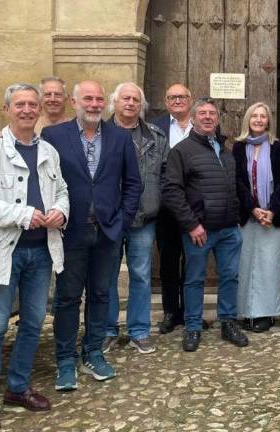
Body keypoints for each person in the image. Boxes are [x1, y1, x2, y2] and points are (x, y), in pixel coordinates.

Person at [0, 83, 69, 432]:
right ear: (7, 109)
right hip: (1, 252)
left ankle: (18, 388)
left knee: (34, 322)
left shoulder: (48, 151)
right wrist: (20, 215)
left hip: (41, 251)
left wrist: (60, 211)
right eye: (19, 104)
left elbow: (62, 190)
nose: (27, 110)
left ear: (39, 110)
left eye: (32, 104)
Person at [41, 80, 142, 391]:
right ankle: (65, 360)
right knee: (67, 298)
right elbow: (43, 178)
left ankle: (94, 353)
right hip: (70, 231)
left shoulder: (119, 137)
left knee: (100, 295)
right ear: (74, 102)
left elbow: (133, 183)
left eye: (99, 99)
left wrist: (122, 221)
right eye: (88, 98)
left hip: (107, 232)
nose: (95, 104)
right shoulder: (53, 136)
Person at [162, 97, 248, 352]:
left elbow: (234, 187)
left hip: (229, 229)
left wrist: (237, 219)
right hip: (199, 231)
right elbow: (172, 191)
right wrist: (191, 224)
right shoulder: (182, 151)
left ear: (217, 119)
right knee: (194, 279)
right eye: (202, 113)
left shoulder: (226, 151)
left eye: (212, 113)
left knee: (230, 277)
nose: (208, 117)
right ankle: (192, 327)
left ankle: (228, 322)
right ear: (193, 118)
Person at [103, 82, 169, 354]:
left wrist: (157, 201)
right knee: (106, 276)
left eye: (135, 99)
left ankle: (139, 331)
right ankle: (107, 330)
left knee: (141, 276)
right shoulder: (100, 133)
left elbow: (165, 173)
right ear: (115, 102)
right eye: (125, 98)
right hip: (110, 218)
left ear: (141, 105)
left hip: (144, 218)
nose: (130, 103)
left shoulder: (156, 136)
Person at [233, 102, 280, 332]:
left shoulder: (277, 146)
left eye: (262, 116)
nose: (258, 120)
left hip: (272, 217)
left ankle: (267, 313)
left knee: (269, 265)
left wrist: (271, 210)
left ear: (268, 121)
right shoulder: (238, 147)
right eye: (254, 116)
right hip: (248, 215)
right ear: (248, 119)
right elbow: (238, 182)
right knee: (245, 264)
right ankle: (246, 312)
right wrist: (253, 209)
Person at [151, 83, 193, 334]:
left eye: (182, 96)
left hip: (194, 205)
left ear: (190, 100)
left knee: (192, 260)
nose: (177, 100)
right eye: (172, 97)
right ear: (166, 102)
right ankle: (170, 312)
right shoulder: (155, 126)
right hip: (166, 205)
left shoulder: (201, 124)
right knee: (168, 260)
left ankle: (189, 312)